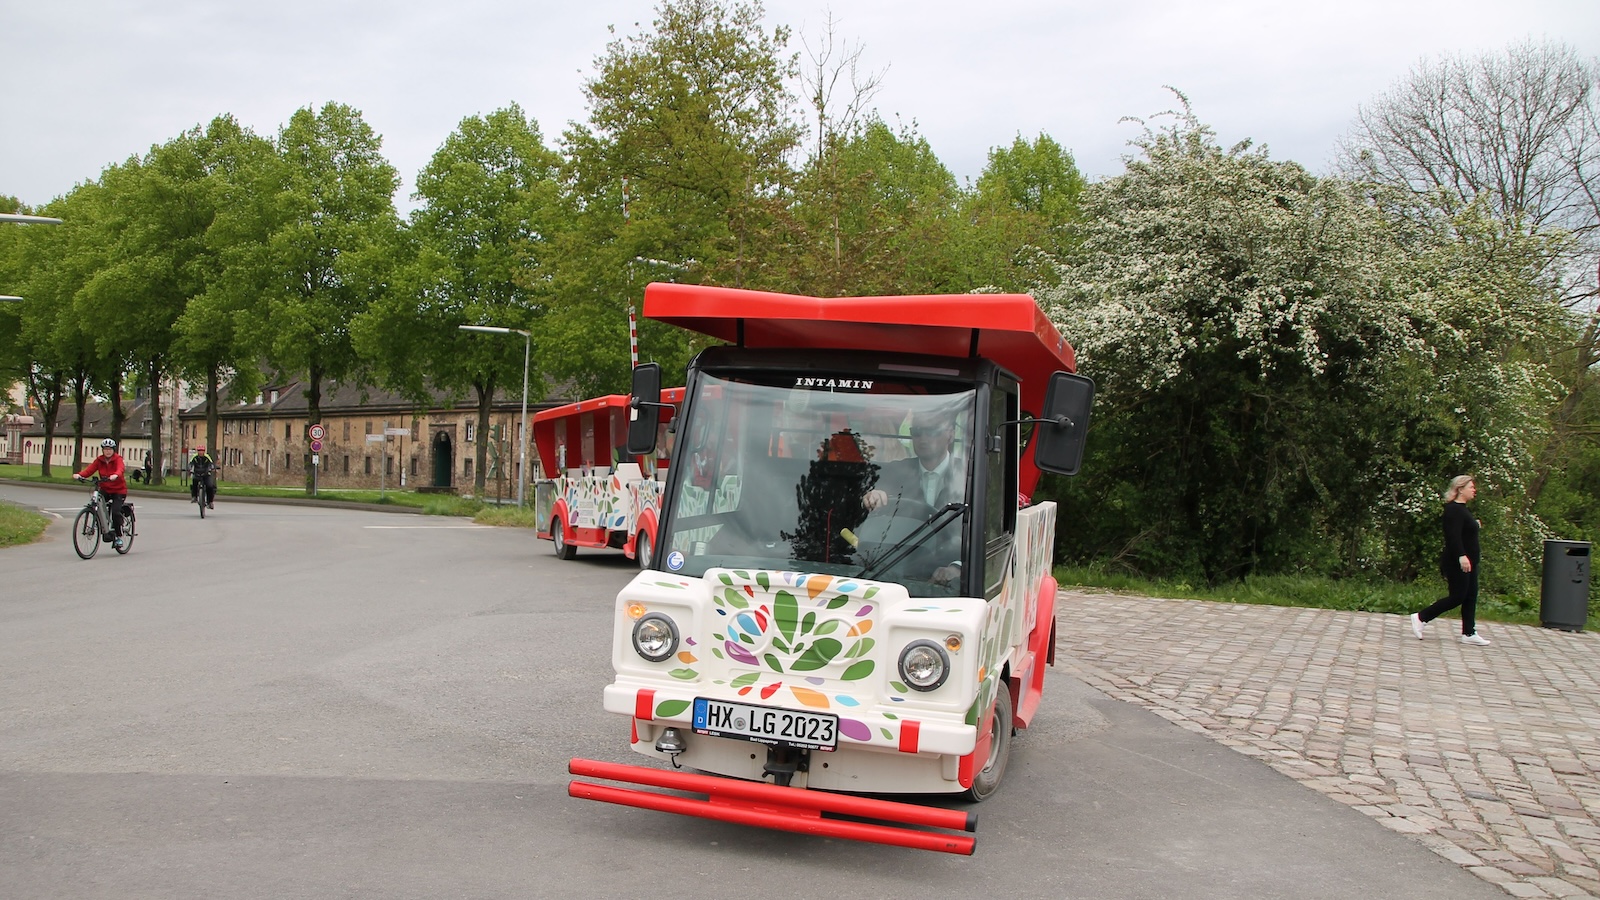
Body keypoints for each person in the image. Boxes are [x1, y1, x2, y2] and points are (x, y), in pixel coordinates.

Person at [862, 409, 966, 585]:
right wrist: (872, 497)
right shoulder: (894, 472)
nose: (923, 439)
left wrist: (958, 567)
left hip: (952, 580)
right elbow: (873, 499)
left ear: (950, 434)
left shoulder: (969, 475)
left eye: (931, 431)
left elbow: (986, 533)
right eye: (917, 432)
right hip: (896, 571)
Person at [1410, 475, 1490, 645]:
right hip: (1458, 561)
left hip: (1471, 561)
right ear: (1460, 489)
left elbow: (1464, 529)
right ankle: (1421, 617)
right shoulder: (1453, 510)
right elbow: (1453, 537)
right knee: (1458, 596)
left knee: (1470, 596)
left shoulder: (1463, 509)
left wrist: (1474, 524)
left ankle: (1469, 633)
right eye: (1471, 487)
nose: (1474, 490)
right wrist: (1461, 556)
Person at [73, 438, 129, 550]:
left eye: (110, 449)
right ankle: (101, 523)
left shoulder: (118, 459)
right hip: (105, 488)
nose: (107, 451)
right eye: (105, 449)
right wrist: (80, 475)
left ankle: (118, 536)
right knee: (96, 502)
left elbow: (120, 469)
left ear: (113, 450)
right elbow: (89, 470)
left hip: (118, 490)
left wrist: (116, 475)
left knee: (115, 511)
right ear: (103, 450)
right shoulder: (99, 460)